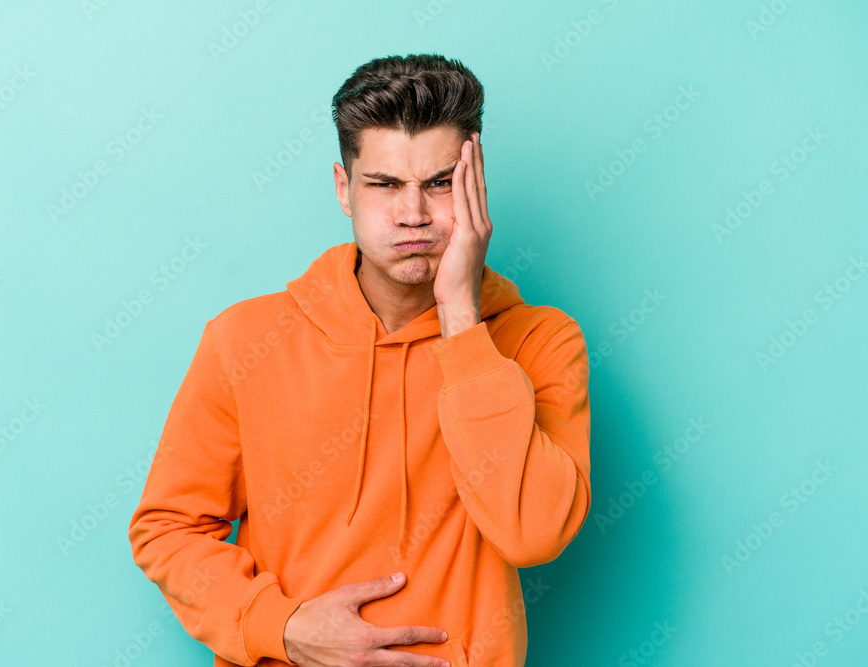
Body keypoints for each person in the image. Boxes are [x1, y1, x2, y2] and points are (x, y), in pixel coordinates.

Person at [127, 53, 591, 667]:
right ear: (344, 189)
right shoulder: (244, 339)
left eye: (439, 183)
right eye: (385, 184)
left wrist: (460, 316)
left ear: (476, 188)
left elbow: (534, 534)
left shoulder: (540, 342)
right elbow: (168, 528)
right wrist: (283, 627)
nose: (413, 214)